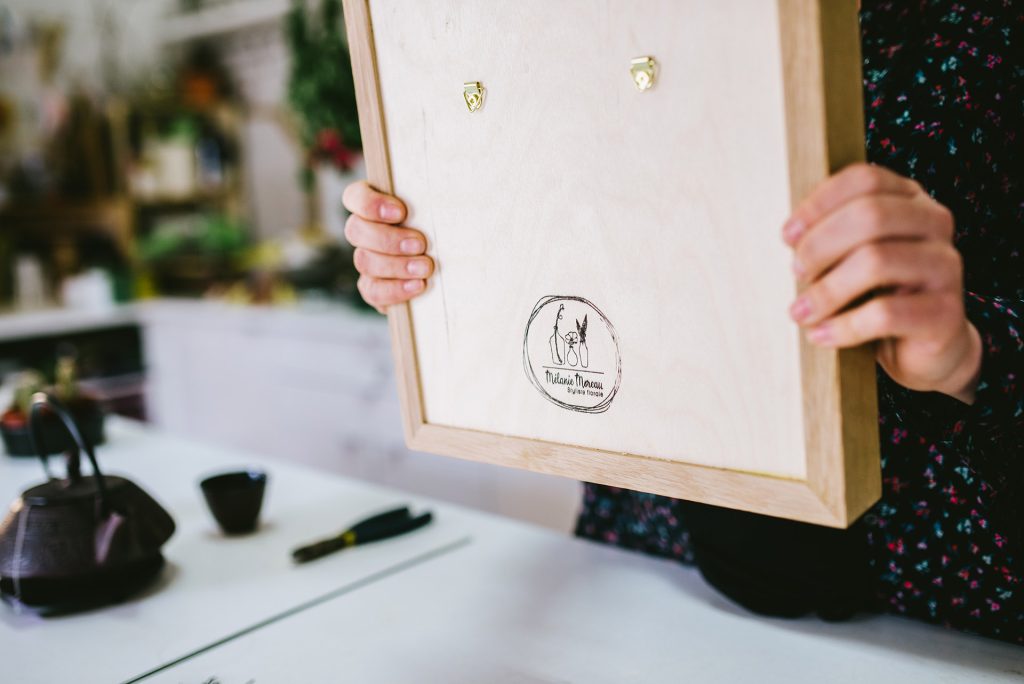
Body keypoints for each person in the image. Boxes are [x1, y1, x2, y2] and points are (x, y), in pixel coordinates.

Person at [341, 0, 1022, 644]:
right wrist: (436, 256)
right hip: (645, 584)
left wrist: (969, 357)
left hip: (935, 627)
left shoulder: (981, 34)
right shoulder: (587, 28)